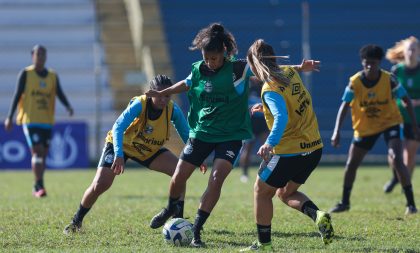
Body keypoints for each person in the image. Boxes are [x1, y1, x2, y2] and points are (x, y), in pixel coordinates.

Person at [146, 23, 321, 248]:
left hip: (231, 135)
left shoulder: (238, 69)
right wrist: (164, 92)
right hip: (202, 132)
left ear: (224, 54)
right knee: (179, 175)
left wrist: (299, 67)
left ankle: (197, 230)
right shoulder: (199, 69)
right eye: (206, 58)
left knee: (216, 179)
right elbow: (186, 83)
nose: (210, 63)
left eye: (214, 59)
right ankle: (171, 207)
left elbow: (266, 67)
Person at [63, 74, 195, 234]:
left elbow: (186, 134)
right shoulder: (140, 104)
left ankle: (176, 219)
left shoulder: (172, 109)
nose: (163, 99)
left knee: (180, 172)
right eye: (159, 94)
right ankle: (76, 221)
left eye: (167, 95)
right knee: (100, 184)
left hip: (147, 149)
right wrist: (119, 154)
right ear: (152, 93)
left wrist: (196, 154)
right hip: (121, 145)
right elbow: (118, 127)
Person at [239, 39, 333, 252]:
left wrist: (269, 143)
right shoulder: (289, 72)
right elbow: (287, 97)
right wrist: (263, 106)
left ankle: (264, 245)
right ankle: (318, 216)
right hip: (314, 148)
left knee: (261, 192)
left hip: (289, 151)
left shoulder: (270, 89)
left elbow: (281, 116)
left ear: (255, 65)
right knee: (284, 193)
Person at [329, 44, 418, 215]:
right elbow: (345, 105)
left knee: (397, 159)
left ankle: (411, 205)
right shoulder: (355, 82)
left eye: (373, 63)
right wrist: (336, 131)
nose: (369, 66)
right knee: (351, 164)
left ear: (379, 63)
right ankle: (344, 202)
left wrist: (414, 126)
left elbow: (406, 99)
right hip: (365, 127)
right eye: (366, 63)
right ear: (362, 62)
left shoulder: (389, 79)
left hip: (390, 122)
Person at [4, 45, 74, 198]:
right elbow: (17, 95)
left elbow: (59, 93)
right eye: (38, 54)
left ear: (46, 57)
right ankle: (39, 186)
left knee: (43, 155)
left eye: (43, 54)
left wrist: (68, 106)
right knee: (37, 151)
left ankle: (38, 183)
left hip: (46, 121)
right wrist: (9, 116)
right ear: (32, 56)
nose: (40, 57)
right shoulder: (26, 74)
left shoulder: (52, 76)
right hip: (30, 120)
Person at [383, 36, 420, 193]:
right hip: (397, 117)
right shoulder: (397, 70)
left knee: (409, 155)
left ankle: (407, 186)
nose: (411, 52)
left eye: (414, 49)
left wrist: (416, 102)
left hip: (416, 119)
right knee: (393, 155)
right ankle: (395, 177)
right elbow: (389, 93)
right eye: (408, 49)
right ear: (403, 52)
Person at [238, 79, 269, 183]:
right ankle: (244, 174)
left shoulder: (265, 85)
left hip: (264, 120)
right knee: (248, 148)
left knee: (268, 147)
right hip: (251, 122)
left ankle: (268, 172)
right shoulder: (247, 86)